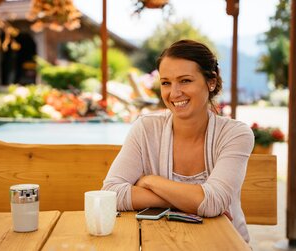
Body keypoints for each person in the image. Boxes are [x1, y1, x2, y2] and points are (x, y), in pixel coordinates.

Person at [102, 39, 254, 242]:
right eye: (166, 83)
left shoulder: (235, 134)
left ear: (212, 82)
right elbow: (111, 192)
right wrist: (192, 201)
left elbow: (214, 201)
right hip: (162, 242)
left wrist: (150, 181)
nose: (174, 93)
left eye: (185, 80)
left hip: (222, 243)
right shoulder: (146, 128)